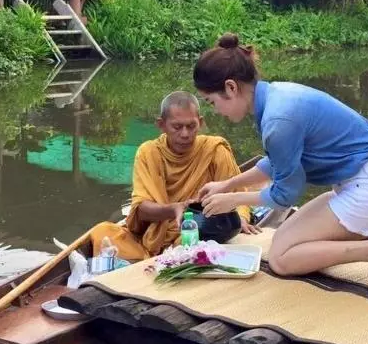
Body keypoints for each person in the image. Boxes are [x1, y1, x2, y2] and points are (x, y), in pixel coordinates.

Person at [194, 33, 368, 291]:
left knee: (282, 260)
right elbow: (278, 163)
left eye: (212, 102)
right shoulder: (277, 98)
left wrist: (232, 200)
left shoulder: (277, 120)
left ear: (231, 87)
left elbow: (286, 194)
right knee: (284, 240)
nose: (216, 111)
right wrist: (227, 185)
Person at [89, 91, 260, 259]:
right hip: (156, 233)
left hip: (199, 230)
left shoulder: (214, 149)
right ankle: (159, 257)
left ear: (200, 123)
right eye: (177, 127)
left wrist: (242, 219)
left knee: (198, 242)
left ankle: (161, 260)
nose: (185, 134)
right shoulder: (148, 152)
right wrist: (175, 209)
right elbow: (140, 210)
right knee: (101, 232)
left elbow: (237, 193)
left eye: (191, 126)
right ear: (161, 125)